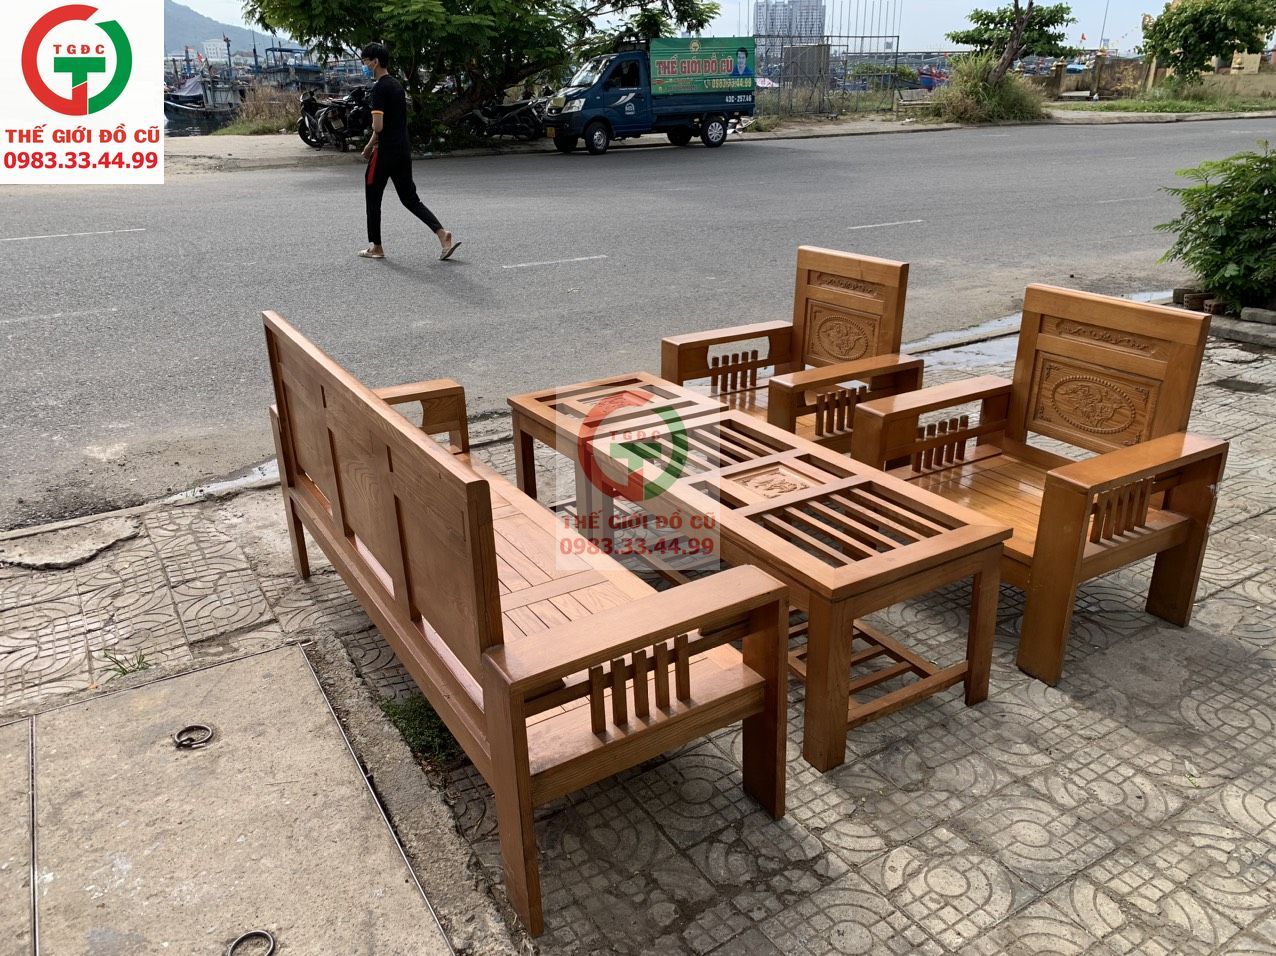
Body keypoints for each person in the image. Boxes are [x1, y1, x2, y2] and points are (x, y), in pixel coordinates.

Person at [358, 41, 460, 262]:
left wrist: (369, 145)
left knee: (372, 197)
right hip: (403, 149)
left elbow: (378, 126)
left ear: (375, 62)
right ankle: (442, 234)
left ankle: (377, 247)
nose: (364, 66)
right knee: (410, 199)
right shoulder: (396, 85)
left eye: (365, 61)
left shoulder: (379, 88)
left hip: (384, 152)